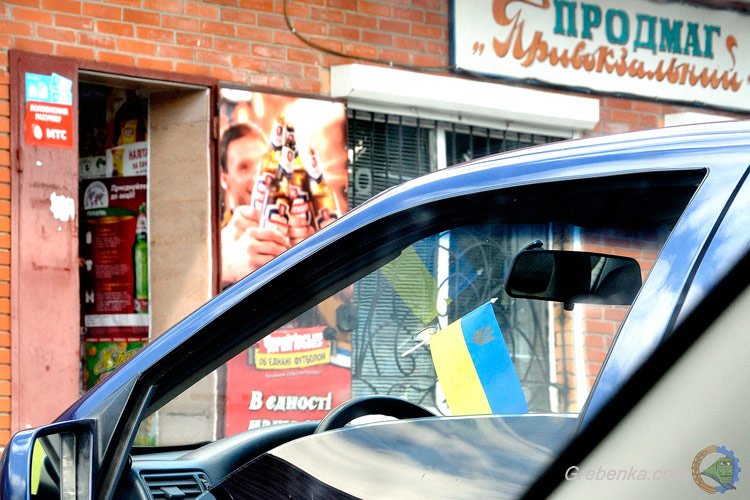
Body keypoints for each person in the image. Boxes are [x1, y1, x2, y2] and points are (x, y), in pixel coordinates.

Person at [220, 123, 312, 288]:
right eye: (244, 167)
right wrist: (226, 266)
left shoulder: (301, 224)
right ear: (224, 180)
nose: (259, 177)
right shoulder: (214, 242)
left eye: (265, 164)